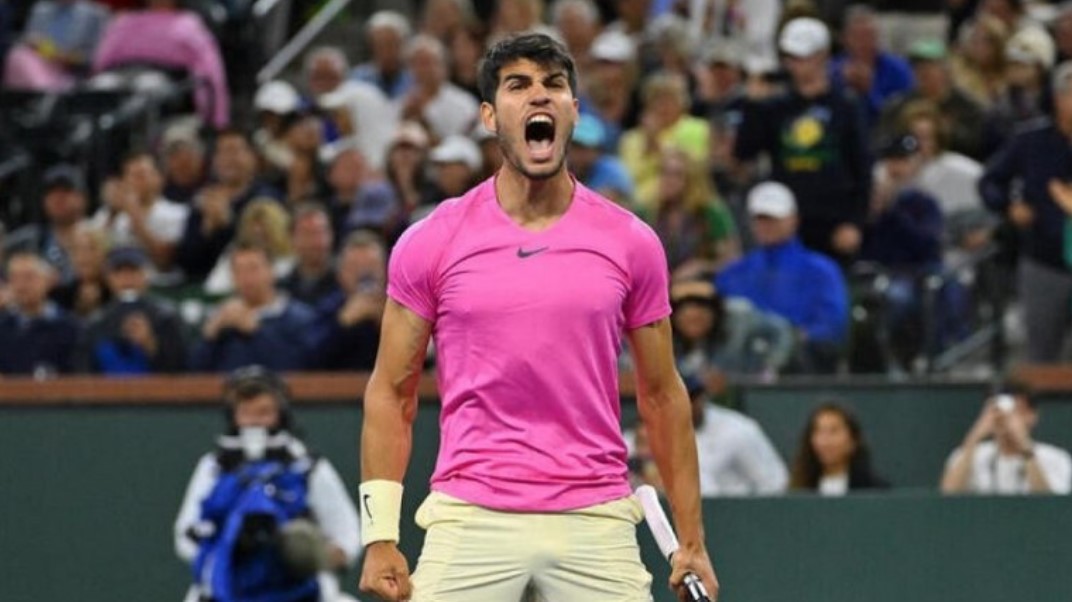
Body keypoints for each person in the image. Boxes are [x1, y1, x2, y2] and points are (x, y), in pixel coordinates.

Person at [358, 33, 718, 602]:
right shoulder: (431, 241)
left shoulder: (631, 242)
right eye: (518, 85)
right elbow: (389, 390)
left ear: (573, 109)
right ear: (489, 116)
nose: (539, 97)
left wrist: (692, 539)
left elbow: (662, 394)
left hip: (596, 512)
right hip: (470, 511)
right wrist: (379, 536)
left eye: (553, 84)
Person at [174, 365, 361, 602]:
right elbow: (185, 535)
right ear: (233, 415)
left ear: (280, 413)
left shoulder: (307, 466)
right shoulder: (213, 467)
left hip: (301, 592)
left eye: (263, 412)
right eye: (246, 412)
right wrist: (227, 545)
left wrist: (308, 555)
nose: (254, 421)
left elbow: (347, 533)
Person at [734, 16, 872, 265]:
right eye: (791, 57)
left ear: (823, 56)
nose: (795, 65)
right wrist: (753, 106)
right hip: (785, 217)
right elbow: (744, 152)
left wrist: (854, 222)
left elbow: (862, 167)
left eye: (803, 57)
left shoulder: (846, 105)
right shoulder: (775, 108)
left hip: (833, 222)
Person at [979, 60, 1072, 363]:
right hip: (1044, 260)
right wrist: (1010, 206)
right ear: (1057, 98)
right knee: (1041, 353)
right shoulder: (1030, 140)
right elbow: (990, 181)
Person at [716, 181, 850, 374]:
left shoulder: (822, 270)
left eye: (774, 219)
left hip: (800, 366)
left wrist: (792, 340)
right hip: (742, 364)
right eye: (761, 219)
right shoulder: (732, 274)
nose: (767, 226)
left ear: (794, 220)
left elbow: (832, 325)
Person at [627, 372, 788, 497]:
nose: (687, 404)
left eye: (693, 397)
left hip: (732, 514)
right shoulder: (643, 435)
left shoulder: (738, 430)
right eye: (677, 398)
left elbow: (775, 483)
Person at [191, 242, 317, 372]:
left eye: (253, 269)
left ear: (272, 271)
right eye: (238, 271)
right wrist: (210, 337)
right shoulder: (222, 321)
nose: (246, 278)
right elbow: (194, 374)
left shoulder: (301, 319)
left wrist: (257, 332)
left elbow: (299, 367)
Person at [941, 382, 1072, 495]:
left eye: (1016, 411)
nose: (1006, 419)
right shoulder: (969, 455)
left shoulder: (1056, 458)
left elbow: (1050, 505)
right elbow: (948, 497)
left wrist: (1025, 448)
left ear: (1032, 415)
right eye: (998, 411)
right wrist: (974, 437)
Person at [75, 246, 188, 374]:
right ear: (108, 277)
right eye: (119, 272)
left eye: (133, 271)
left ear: (146, 275)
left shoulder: (166, 318)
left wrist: (150, 345)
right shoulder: (97, 322)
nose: (127, 279)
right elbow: (84, 371)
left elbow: (182, 370)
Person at [0, 251, 81, 375]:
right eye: (14, 278)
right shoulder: (3, 327)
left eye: (29, 277)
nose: (21, 286)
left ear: (47, 281)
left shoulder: (71, 328)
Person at [789, 401, 890, 495]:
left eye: (834, 431)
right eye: (818, 431)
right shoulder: (798, 490)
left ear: (853, 440)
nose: (825, 441)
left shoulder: (874, 491)